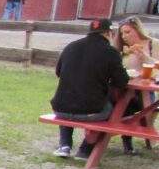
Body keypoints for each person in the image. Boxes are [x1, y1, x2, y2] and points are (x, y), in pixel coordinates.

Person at [50, 18, 129, 159]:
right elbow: (122, 82)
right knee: (116, 109)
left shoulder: (71, 46)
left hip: (60, 109)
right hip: (91, 113)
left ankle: (65, 145)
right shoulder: (111, 52)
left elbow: (58, 72)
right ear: (108, 33)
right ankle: (85, 150)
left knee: (72, 96)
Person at [112, 16, 159, 154]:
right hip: (125, 88)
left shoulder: (154, 44)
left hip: (146, 89)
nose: (124, 36)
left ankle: (131, 137)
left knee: (143, 106)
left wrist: (145, 57)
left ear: (137, 30)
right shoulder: (122, 49)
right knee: (122, 103)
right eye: (122, 33)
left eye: (128, 32)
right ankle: (125, 138)